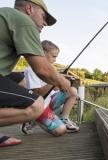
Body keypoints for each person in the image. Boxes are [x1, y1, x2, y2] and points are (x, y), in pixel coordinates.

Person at [0, 0, 70, 147]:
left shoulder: (5, 14)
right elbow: (42, 69)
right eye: (43, 16)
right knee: (35, 105)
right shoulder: (24, 21)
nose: (44, 23)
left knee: (20, 80)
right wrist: (62, 81)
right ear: (29, 9)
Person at [21, 40, 80, 136]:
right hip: (38, 106)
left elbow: (52, 89)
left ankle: (64, 119)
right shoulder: (32, 70)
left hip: (49, 101)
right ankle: (33, 117)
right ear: (44, 53)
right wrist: (56, 81)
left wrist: (60, 86)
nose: (55, 60)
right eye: (53, 56)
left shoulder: (50, 69)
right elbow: (37, 95)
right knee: (60, 131)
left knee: (72, 91)